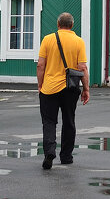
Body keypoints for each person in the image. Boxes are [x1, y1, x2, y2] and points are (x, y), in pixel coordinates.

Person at [36, 12, 89, 170]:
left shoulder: (47, 39)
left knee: (49, 122)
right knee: (69, 121)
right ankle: (66, 156)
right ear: (72, 25)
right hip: (70, 88)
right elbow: (82, 68)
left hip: (49, 88)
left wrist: (40, 85)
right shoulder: (78, 41)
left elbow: (40, 65)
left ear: (58, 24)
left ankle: (49, 152)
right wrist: (86, 89)